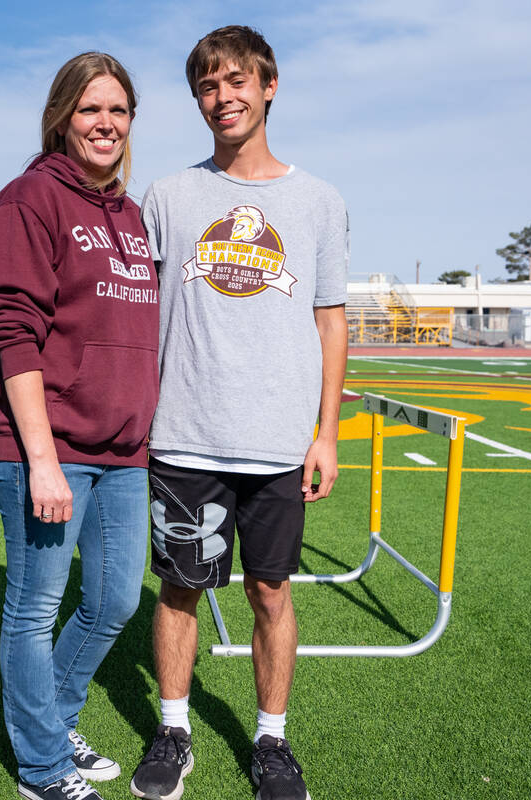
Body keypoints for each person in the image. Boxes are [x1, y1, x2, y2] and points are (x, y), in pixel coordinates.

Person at [130, 26, 348, 800]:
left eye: (235, 82)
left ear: (269, 85)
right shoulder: (169, 195)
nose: (222, 98)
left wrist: (326, 434)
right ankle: (174, 727)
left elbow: (330, 319)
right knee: (181, 588)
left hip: (277, 440)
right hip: (184, 432)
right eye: (207, 87)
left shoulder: (318, 201)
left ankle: (271, 742)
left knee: (269, 592)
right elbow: (132, 304)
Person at [0, 52, 159, 800]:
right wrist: (42, 459)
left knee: (116, 598)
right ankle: (43, 768)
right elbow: (15, 335)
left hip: (124, 452)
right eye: (91, 109)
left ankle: (53, 720)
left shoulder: (129, 215)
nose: (106, 124)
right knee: (34, 607)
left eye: (118, 110)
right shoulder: (28, 200)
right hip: (49, 450)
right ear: (62, 117)